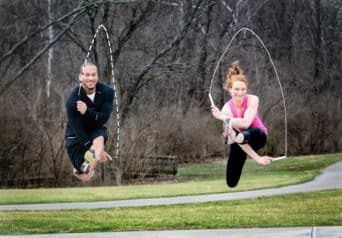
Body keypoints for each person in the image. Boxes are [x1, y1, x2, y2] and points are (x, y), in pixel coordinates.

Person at [211, 61, 274, 188]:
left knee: (245, 133)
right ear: (229, 90)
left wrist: (224, 118)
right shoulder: (226, 110)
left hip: (258, 136)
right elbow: (240, 140)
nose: (240, 92)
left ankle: (239, 137)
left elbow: (246, 123)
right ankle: (239, 138)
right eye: (236, 89)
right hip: (240, 142)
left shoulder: (253, 99)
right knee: (231, 182)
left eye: (243, 89)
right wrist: (258, 159)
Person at [65, 62, 114, 181]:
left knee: (99, 139)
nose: (91, 78)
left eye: (94, 75)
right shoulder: (72, 100)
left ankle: (90, 160)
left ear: (97, 76)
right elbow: (78, 130)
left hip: (95, 129)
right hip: (75, 136)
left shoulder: (107, 92)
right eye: (87, 75)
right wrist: (98, 153)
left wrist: (87, 112)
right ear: (80, 77)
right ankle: (80, 169)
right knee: (87, 176)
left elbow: (103, 118)